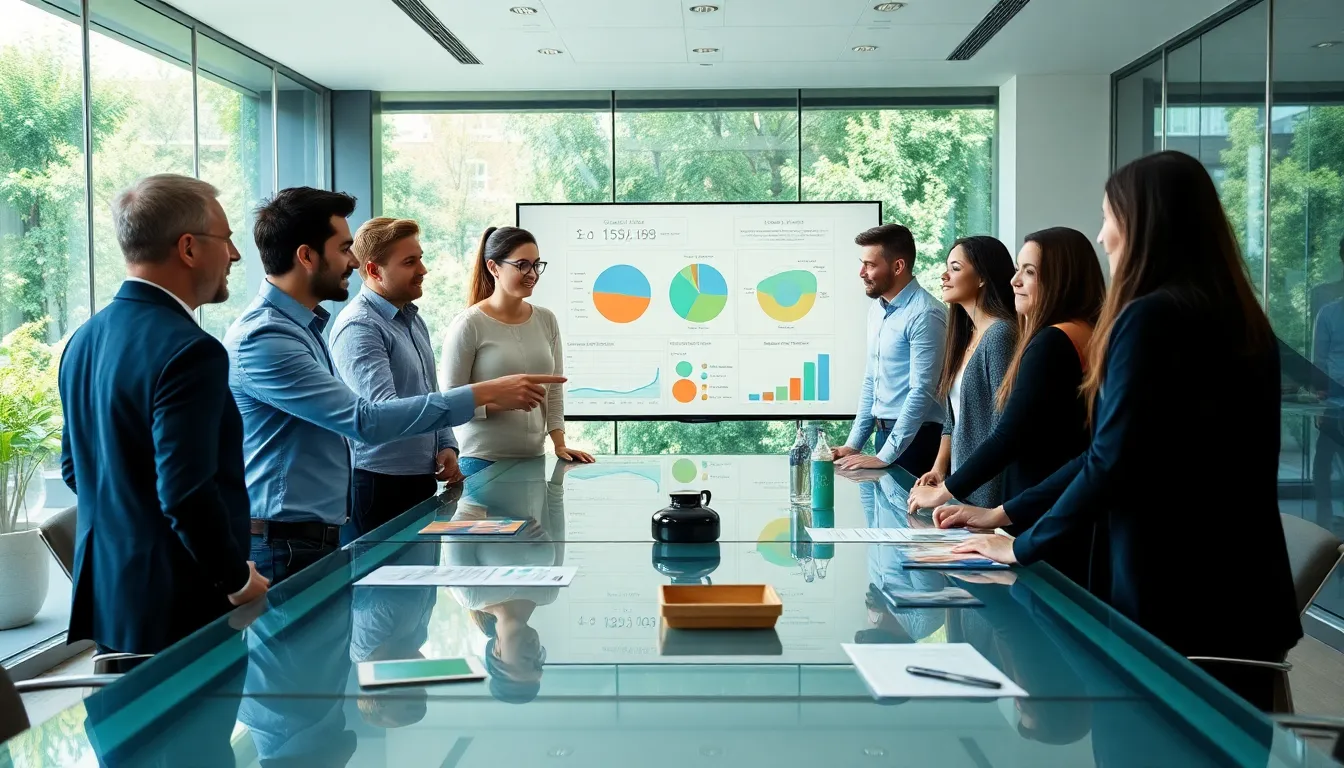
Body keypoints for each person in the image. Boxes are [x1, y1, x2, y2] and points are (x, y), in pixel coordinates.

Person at [945, 151, 1301, 710]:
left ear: (1142, 223)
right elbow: (1112, 451)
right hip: (1244, 599)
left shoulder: (1149, 318)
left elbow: (1111, 463)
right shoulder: (1243, 319)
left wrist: (1020, 545)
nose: (1103, 235)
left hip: (1170, 595)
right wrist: (1007, 517)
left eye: (1108, 216)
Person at [225, 190, 565, 583]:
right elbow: (367, 419)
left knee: (404, 616)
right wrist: (484, 393)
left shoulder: (314, 327)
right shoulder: (273, 337)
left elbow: (423, 391)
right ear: (306, 256)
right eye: (343, 248)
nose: (351, 261)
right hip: (297, 536)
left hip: (329, 526)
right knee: (380, 622)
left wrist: (445, 444)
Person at [58, 174, 268, 666]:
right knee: (195, 745)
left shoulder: (84, 339)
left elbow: (76, 469)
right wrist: (236, 579)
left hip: (114, 601)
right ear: (189, 247)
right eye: (227, 240)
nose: (235, 255)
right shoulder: (192, 351)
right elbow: (186, 493)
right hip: (181, 607)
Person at [907, 228, 1105, 584]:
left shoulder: (1050, 340)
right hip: (1049, 505)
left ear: (1061, 278)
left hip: (1038, 508)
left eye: (1029, 271)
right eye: (1018, 269)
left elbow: (1009, 433)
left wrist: (954, 494)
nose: (1015, 280)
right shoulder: (1082, 333)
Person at [330, 217, 461, 545]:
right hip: (376, 487)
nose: (423, 269)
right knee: (383, 593)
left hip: (417, 481)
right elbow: (384, 413)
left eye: (420, 257)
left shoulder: (413, 321)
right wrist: (478, 397)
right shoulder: (359, 327)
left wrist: (446, 443)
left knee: (420, 592)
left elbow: (429, 390)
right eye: (410, 262)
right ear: (374, 270)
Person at [441, 226, 594, 477]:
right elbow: (448, 404)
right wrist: (498, 403)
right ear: (493, 267)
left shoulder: (546, 320)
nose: (532, 273)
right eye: (522, 265)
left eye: (536, 265)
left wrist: (559, 443)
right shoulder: (469, 324)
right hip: (482, 462)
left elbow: (553, 392)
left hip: (533, 461)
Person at [833, 224, 948, 474]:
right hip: (885, 437)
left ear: (898, 266)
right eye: (862, 263)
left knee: (910, 515)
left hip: (918, 441)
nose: (861, 272)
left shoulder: (925, 314)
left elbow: (923, 390)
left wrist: (886, 455)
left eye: (870, 265)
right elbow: (871, 380)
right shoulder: (877, 310)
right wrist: (853, 444)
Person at [914, 236, 1017, 509]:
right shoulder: (965, 336)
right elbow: (952, 420)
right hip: (961, 487)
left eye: (955, 268)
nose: (944, 275)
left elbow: (1002, 430)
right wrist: (939, 470)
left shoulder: (1001, 335)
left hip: (987, 494)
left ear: (982, 277)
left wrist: (946, 491)